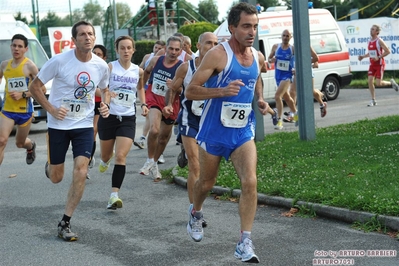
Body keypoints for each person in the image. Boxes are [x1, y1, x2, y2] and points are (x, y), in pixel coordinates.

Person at [185, 3, 269, 263]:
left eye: (254, 26)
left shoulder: (257, 56)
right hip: (214, 131)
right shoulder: (218, 55)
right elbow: (191, 90)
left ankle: (245, 241)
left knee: (250, 181)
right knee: (206, 183)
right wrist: (221, 91)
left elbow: (257, 79)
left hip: (243, 132)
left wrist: (261, 99)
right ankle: (195, 212)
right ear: (232, 28)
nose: (251, 31)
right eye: (246, 26)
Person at [29, 21, 110, 241]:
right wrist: (51, 109)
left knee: (81, 170)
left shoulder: (101, 65)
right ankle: (51, 164)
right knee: (56, 177)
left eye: (90, 34)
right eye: (82, 34)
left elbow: (105, 89)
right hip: (58, 126)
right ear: (74, 40)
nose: (87, 37)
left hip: (83, 125)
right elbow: (34, 87)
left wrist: (105, 104)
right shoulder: (59, 61)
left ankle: (65, 221)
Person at [163, 32, 219, 228]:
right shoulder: (186, 67)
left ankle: (196, 205)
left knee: (207, 170)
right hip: (189, 120)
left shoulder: (220, 67)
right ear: (198, 45)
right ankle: (195, 212)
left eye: (215, 43)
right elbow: (174, 88)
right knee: (195, 166)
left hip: (210, 122)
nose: (212, 46)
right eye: (208, 43)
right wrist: (169, 104)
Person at [97, 36, 148, 210]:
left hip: (127, 117)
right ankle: (105, 160)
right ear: (117, 50)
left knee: (121, 156)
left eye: (129, 48)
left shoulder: (138, 71)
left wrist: (144, 104)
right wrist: (106, 96)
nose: (126, 51)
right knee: (105, 156)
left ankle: (114, 195)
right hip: (109, 116)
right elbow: (99, 87)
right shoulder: (110, 67)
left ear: (133, 50)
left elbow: (140, 88)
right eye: (122, 48)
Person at [139, 35, 183, 181]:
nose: (173, 52)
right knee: (155, 130)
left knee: (163, 138)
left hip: (170, 103)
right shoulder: (156, 60)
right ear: (166, 49)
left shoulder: (181, 67)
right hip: (154, 99)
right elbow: (146, 72)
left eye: (177, 49)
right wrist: (143, 92)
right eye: (171, 48)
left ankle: (154, 163)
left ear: (180, 50)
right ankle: (149, 160)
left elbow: (183, 90)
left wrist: (174, 87)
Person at [0, 34, 42, 173]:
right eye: (14, 45)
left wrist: (23, 94)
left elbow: (41, 88)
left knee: (20, 143)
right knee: (1, 141)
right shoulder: (5, 65)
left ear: (26, 49)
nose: (16, 49)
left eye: (19, 46)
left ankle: (30, 147)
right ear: (11, 47)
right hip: (7, 110)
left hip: (25, 112)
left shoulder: (30, 66)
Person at [135, 40, 166, 150]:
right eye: (155, 47)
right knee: (149, 114)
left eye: (159, 48)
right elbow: (141, 68)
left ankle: (146, 138)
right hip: (146, 87)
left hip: (157, 89)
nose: (157, 49)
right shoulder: (148, 56)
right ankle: (143, 138)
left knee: (154, 117)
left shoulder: (164, 59)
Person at [358, 24, 399, 106]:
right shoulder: (369, 41)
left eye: (373, 29)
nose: (371, 30)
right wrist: (363, 56)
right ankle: (373, 100)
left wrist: (379, 57)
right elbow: (370, 53)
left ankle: (391, 83)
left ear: (377, 32)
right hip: (372, 64)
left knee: (378, 84)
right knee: (369, 81)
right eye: (371, 29)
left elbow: (388, 51)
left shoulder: (379, 41)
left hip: (379, 64)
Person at [268, 29, 298, 130]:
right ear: (281, 36)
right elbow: (269, 59)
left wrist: (295, 69)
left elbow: (297, 61)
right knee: (287, 98)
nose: (285, 37)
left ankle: (279, 121)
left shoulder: (292, 49)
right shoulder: (276, 47)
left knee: (277, 96)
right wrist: (271, 60)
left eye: (287, 36)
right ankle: (297, 114)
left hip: (287, 76)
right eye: (284, 35)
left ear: (291, 37)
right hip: (278, 76)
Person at [86, 44, 108, 179]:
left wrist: (95, 89)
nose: (96, 55)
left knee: (94, 130)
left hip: (101, 103)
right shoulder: (87, 66)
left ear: (104, 57)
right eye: (94, 53)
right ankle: (88, 159)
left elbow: (107, 91)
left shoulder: (106, 69)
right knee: (90, 132)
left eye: (99, 54)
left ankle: (88, 161)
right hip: (87, 102)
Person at [288, 46, 327, 118]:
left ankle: (322, 104)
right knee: (292, 91)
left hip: (307, 72)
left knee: (310, 92)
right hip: (297, 73)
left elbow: (316, 58)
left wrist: (303, 65)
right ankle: (292, 113)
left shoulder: (307, 45)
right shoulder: (292, 47)